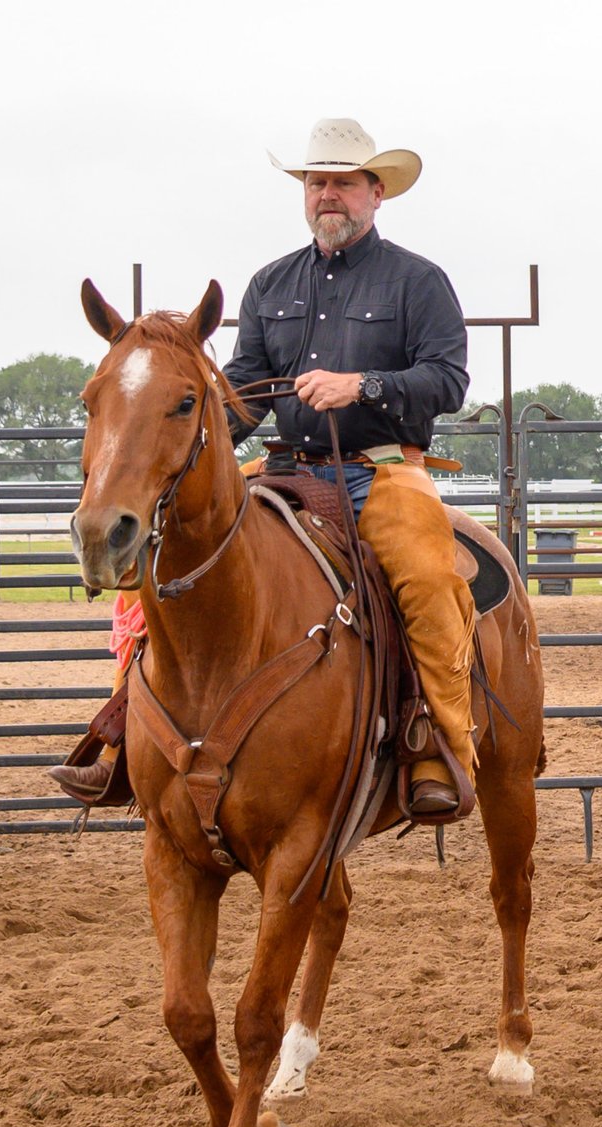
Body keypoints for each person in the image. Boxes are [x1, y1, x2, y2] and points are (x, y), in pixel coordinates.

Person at [52, 117, 476, 816]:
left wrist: (361, 385)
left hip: (381, 471)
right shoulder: (270, 283)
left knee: (429, 578)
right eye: (316, 182)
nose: (328, 195)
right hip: (283, 469)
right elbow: (241, 395)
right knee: (164, 560)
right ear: (303, 193)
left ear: (376, 193)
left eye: (343, 182)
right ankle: (126, 731)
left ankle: (437, 746)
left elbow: (447, 379)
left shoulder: (417, 282)